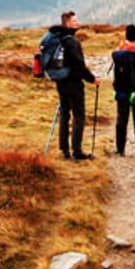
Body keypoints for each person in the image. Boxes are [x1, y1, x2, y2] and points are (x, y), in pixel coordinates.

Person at [49, 10, 96, 160]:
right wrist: (92, 79)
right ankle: (77, 151)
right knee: (79, 116)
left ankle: (64, 150)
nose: (78, 23)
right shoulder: (73, 42)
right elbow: (79, 66)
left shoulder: (59, 40)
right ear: (68, 23)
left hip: (61, 82)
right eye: (75, 21)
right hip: (74, 83)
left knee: (64, 114)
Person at [111, 24, 135, 157]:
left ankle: (120, 149)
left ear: (126, 36)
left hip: (122, 91)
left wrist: (123, 46)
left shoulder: (118, 54)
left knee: (122, 119)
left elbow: (114, 55)